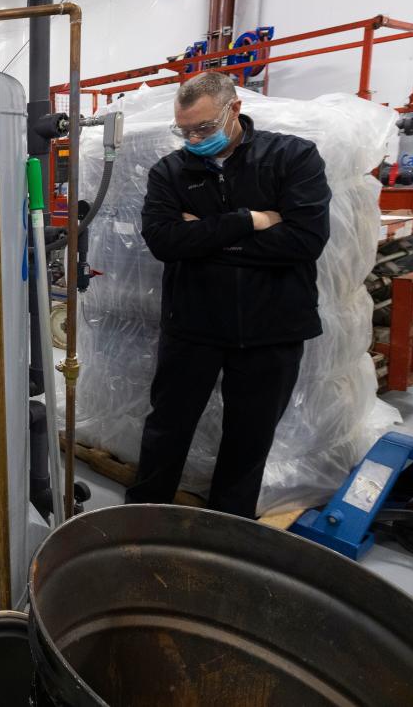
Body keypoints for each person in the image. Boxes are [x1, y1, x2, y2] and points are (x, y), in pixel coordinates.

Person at [125, 72, 331, 518]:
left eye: (204, 128)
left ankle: (226, 531)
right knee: (167, 430)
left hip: (271, 328)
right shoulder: (171, 171)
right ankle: (142, 519)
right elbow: (164, 242)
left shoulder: (292, 157)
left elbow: (304, 242)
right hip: (193, 324)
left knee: (249, 439)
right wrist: (249, 221)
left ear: (233, 109)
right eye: (185, 131)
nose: (194, 138)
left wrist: (204, 236)